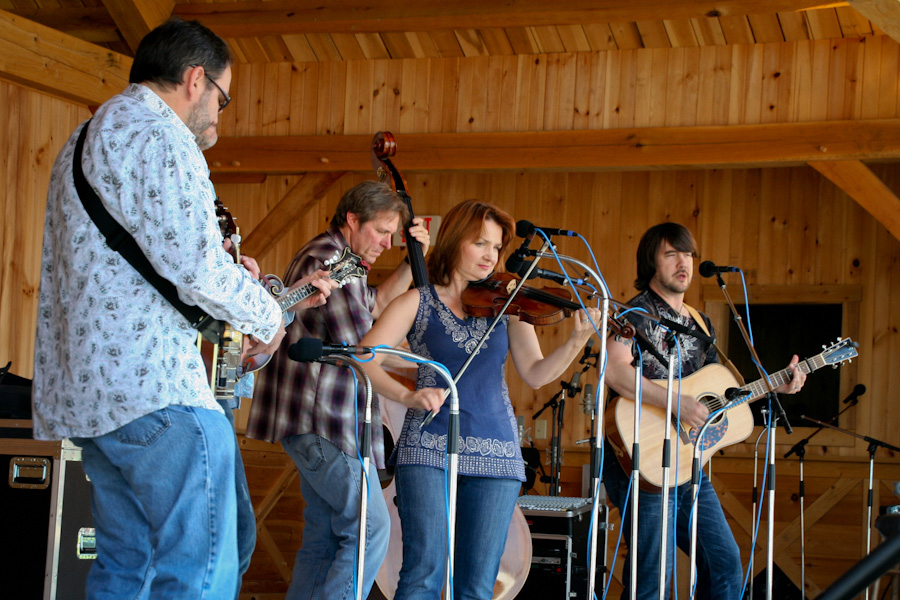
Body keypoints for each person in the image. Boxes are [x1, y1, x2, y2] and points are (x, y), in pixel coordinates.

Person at [31, 19, 334, 599]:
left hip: (90, 397)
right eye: (223, 98)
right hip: (157, 388)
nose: (219, 115)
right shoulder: (162, 136)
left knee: (127, 569)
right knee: (200, 573)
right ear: (196, 79)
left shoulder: (83, 139)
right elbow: (198, 267)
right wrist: (268, 315)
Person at [356, 199, 600, 599]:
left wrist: (576, 341)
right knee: (422, 574)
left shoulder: (508, 306)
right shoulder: (417, 301)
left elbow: (535, 372)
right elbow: (364, 358)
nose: (491, 255)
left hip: (497, 454)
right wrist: (407, 395)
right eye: (481, 243)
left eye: (497, 247)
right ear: (455, 241)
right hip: (428, 448)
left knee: (478, 586)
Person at [246, 179, 433, 600]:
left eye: (392, 235)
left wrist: (411, 262)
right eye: (381, 231)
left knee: (325, 536)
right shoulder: (328, 258)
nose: (387, 243)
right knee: (370, 528)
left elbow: (376, 306)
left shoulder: (345, 260)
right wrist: (428, 361)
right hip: (324, 420)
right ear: (352, 218)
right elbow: (364, 347)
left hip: (318, 422)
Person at [602, 222, 807, 599]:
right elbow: (614, 371)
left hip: (687, 461)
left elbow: (720, 394)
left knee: (725, 565)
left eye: (688, 255)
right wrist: (675, 403)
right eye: (671, 254)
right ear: (651, 262)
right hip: (641, 456)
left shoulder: (699, 322)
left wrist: (775, 385)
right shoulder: (634, 314)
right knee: (653, 579)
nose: (684, 263)